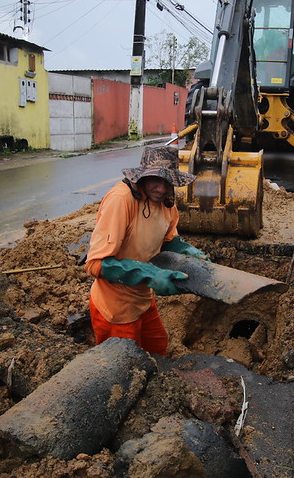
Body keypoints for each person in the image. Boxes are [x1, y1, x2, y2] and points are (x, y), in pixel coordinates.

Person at [84, 145, 209, 355]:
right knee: (125, 368)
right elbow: (95, 264)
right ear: (142, 177)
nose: (161, 189)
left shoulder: (166, 204)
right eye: (155, 180)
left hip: (142, 299)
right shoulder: (121, 201)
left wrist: (189, 252)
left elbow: (168, 240)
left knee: (158, 347)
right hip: (115, 308)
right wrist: (150, 274)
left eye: (168, 182)